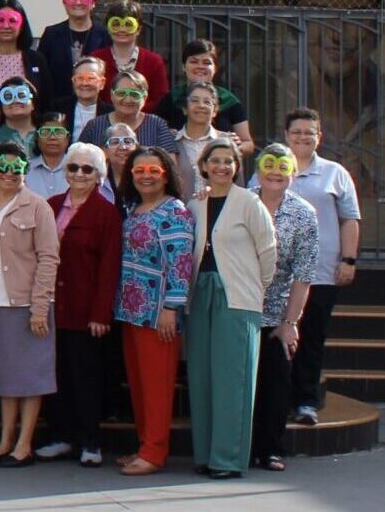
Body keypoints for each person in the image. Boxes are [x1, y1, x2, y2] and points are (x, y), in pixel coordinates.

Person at [185, 141, 280, 480]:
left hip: (238, 298)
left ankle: (227, 458)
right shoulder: (195, 204)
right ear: (205, 166)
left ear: (237, 167)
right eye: (216, 160)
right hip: (200, 296)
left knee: (233, 378)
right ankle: (205, 453)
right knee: (202, 377)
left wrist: (256, 287)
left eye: (229, 161)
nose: (223, 166)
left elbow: (268, 252)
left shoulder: (249, 202)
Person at [0, 142, 61, 467]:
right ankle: (4, 440)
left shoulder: (39, 207)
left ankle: (24, 444)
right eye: (2, 167)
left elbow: (49, 257)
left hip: (25, 302)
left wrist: (40, 307)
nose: (9, 173)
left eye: (16, 168)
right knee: (4, 376)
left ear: (25, 171)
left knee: (30, 375)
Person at [36, 142, 122, 467]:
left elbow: (110, 266)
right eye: (73, 168)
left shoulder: (106, 213)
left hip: (86, 310)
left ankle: (90, 442)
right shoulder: (51, 205)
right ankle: (60, 436)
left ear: (99, 175)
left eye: (87, 169)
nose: (79, 174)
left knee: (86, 377)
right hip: (53, 307)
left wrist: (101, 313)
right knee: (56, 374)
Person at [275, 108, 361, 427]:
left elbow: (349, 218)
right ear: (286, 135)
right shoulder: (271, 167)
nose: (302, 137)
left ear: (319, 137)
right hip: (276, 276)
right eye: (296, 132)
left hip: (322, 272)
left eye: (309, 132)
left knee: (311, 337)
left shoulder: (335, 173)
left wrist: (348, 260)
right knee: (278, 339)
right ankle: (278, 401)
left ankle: (306, 401)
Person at [114, 147, 196, 475]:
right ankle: (143, 444)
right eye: (139, 171)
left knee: (157, 384)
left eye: (153, 170)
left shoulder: (174, 211)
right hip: (131, 311)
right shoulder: (133, 208)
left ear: (166, 175)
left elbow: (181, 263)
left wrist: (171, 307)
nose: (146, 176)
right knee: (139, 384)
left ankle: (154, 452)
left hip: (158, 314)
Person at [250, 143, 321, 472]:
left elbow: (304, 273)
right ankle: (239, 447)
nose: (275, 172)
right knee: (239, 383)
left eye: (283, 166)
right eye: (269, 164)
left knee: (275, 384)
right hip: (238, 309)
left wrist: (290, 322)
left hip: (277, 312)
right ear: (259, 168)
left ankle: (270, 450)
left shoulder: (304, 213)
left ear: (293, 172)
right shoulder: (240, 201)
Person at [160, 39, 255, 154]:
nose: (200, 66)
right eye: (194, 61)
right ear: (184, 67)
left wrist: (233, 146)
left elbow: (248, 144)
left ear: (215, 68)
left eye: (207, 63)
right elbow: (158, 137)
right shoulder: (171, 98)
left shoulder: (229, 100)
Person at [37, 0, 111, 110]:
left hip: (97, 108)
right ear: (64, 2)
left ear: (93, 2)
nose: (78, 2)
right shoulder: (51, 34)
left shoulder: (105, 35)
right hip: (58, 108)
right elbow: (42, 76)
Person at [95, 0, 170, 114]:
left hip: (144, 125)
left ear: (139, 29)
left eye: (128, 24)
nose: (122, 29)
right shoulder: (96, 59)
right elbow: (93, 97)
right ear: (108, 28)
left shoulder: (154, 62)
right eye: (116, 24)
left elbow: (160, 101)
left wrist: (131, 112)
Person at [76, 70, 174, 152]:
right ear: (112, 95)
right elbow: (77, 161)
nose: (128, 100)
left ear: (144, 97)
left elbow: (170, 165)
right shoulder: (94, 126)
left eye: (134, 94)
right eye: (121, 93)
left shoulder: (157, 125)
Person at [172, 87, 242, 195]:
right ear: (185, 109)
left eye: (207, 102)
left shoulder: (228, 143)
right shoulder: (170, 141)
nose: (201, 106)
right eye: (195, 101)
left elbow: (238, 185)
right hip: (177, 210)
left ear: (215, 111)